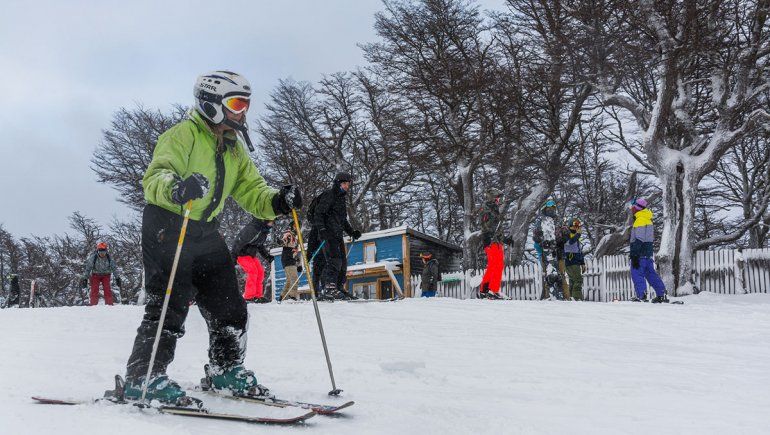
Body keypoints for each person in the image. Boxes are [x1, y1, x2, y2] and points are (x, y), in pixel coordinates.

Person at [123, 71, 302, 405]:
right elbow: (155, 176)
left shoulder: (234, 148)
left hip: (205, 229)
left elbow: (252, 189)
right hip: (168, 224)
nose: (242, 111)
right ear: (211, 103)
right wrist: (177, 188)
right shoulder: (182, 135)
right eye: (236, 103)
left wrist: (277, 201)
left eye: (246, 104)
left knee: (228, 303)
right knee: (170, 303)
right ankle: (143, 377)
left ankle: (225, 368)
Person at [310, 172, 362, 300]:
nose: (346, 186)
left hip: (337, 234)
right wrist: (322, 230)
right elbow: (318, 214)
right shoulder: (329, 195)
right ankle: (329, 288)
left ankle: (338, 287)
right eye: (344, 183)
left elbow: (342, 220)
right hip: (327, 234)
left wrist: (351, 232)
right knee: (334, 260)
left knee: (343, 262)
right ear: (337, 183)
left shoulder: (341, 199)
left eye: (348, 184)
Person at [629, 198, 667, 302]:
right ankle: (661, 294)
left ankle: (641, 296)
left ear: (637, 208)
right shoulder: (648, 219)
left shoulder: (640, 219)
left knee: (637, 274)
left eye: (632, 207)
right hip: (648, 253)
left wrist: (634, 255)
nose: (631, 209)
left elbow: (639, 238)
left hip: (639, 253)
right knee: (650, 274)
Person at [232, 219, 274, 303]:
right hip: (242, 254)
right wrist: (234, 255)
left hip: (251, 255)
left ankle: (257, 296)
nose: (272, 224)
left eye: (273, 222)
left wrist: (267, 257)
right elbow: (239, 240)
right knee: (253, 271)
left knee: (260, 272)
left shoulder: (263, 232)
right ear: (265, 221)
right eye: (271, 221)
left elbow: (260, 246)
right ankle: (249, 296)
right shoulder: (253, 228)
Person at [478, 188, 509, 300]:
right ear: (491, 197)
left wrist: (505, 239)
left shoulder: (495, 209)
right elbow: (484, 224)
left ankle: (484, 290)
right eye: (497, 198)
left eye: (499, 198)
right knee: (497, 265)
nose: (498, 200)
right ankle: (493, 290)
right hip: (491, 241)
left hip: (497, 240)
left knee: (493, 265)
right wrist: (487, 236)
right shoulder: (486, 208)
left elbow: (497, 228)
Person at [533, 199, 566, 300]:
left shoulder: (558, 220)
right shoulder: (541, 220)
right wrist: (542, 241)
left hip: (558, 252)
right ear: (545, 208)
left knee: (561, 275)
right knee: (549, 273)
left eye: (553, 208)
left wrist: (563, 237)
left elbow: (563, 236)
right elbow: (535, 236)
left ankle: (562, 296)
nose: (551, 210)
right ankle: (549, 297)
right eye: (549, 208)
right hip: (545, 252)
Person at [563, 218, 586, 301]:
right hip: (570, 261)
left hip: (576, 261)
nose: (577, 227)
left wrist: (582, 263)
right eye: (575, 225)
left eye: (578, 225)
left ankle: (572, 298)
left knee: (573, 280)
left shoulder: (576, 236)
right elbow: (569, 243)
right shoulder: (566, 234)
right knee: (578, 280)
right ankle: (577, 298)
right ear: (570, 225)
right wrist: (578, 234)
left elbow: (579, 250)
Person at [279, 230, 302, 301]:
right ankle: (292, 296)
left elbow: (296, 254)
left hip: (290, 261)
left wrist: (299, 265)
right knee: (294, 279)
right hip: (288, 260)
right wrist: (280, 241)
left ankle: (282, 296)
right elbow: (284, 241)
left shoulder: (296, 239)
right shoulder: (289, 235)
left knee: (289, 281)